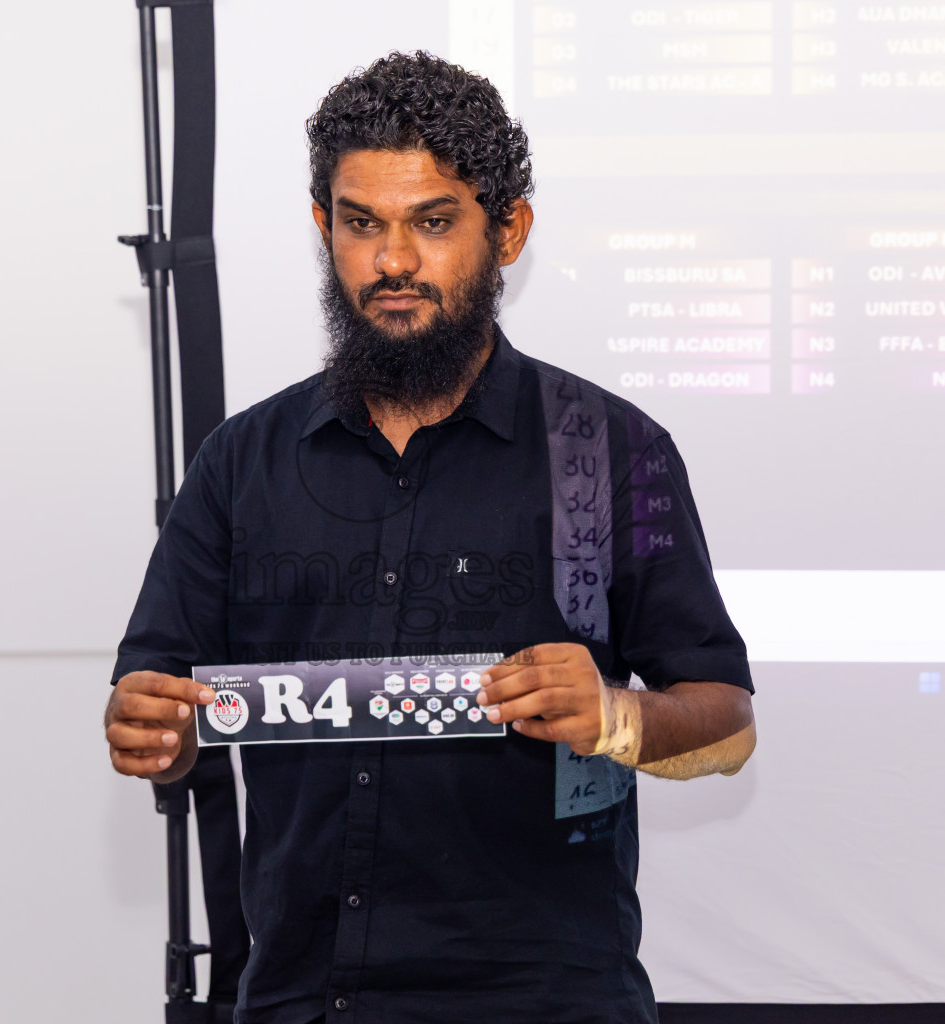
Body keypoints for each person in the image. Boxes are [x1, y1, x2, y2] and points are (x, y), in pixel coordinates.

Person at [105, 51, 756, 1024]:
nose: (393, 261)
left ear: (509, 230)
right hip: (300, 998)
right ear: (324, 227)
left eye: (434, 222)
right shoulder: (242, 462)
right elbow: (157, 702)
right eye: (362, 223)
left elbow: (727, 723)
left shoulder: (611, 451)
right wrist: (149, 725)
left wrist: (615, 717)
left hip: (543, 1006)